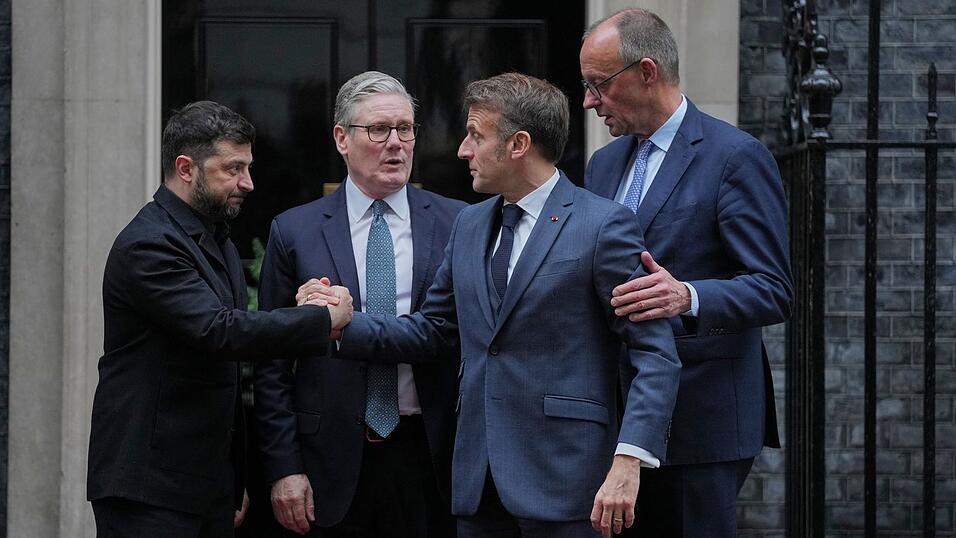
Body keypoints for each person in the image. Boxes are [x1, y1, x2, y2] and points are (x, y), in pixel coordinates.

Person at [310, 72, 680, 538]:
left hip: (571, 483)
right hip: (476, 483)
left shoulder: (603, 225)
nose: (463, 150)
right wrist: (345, 323)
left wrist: (630, 459)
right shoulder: (469, 224)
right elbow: (433, 331)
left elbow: (655, 355)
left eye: (475, 136)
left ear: (518, 144)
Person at [87, 101, 353, 538]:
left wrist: (228, 479)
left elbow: (224, 352)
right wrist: (320, 320)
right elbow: (220, 331)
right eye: (233, 169)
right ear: (185, 168)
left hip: (200, 485)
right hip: (148, 489)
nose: (248, 183)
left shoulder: (214, 237)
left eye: (247, 167)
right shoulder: (149, 245)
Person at [579, 9, 794, 537]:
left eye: (598, 85)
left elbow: (773, 290)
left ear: (647, 71)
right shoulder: (602, 165)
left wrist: (688, 296)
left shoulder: (735, 157)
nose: (588, 101)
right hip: (617, 421)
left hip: (703, 421)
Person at [253, 71, 465, 537]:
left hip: (432, 456)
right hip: (328, 458)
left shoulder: (458, 224)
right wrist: (284, 467)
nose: (396, 143)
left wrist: (342, 326)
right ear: (341, 139)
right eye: (378, 130)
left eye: (405, 129)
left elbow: (456, 335)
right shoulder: (295, 231)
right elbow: (271, 364)